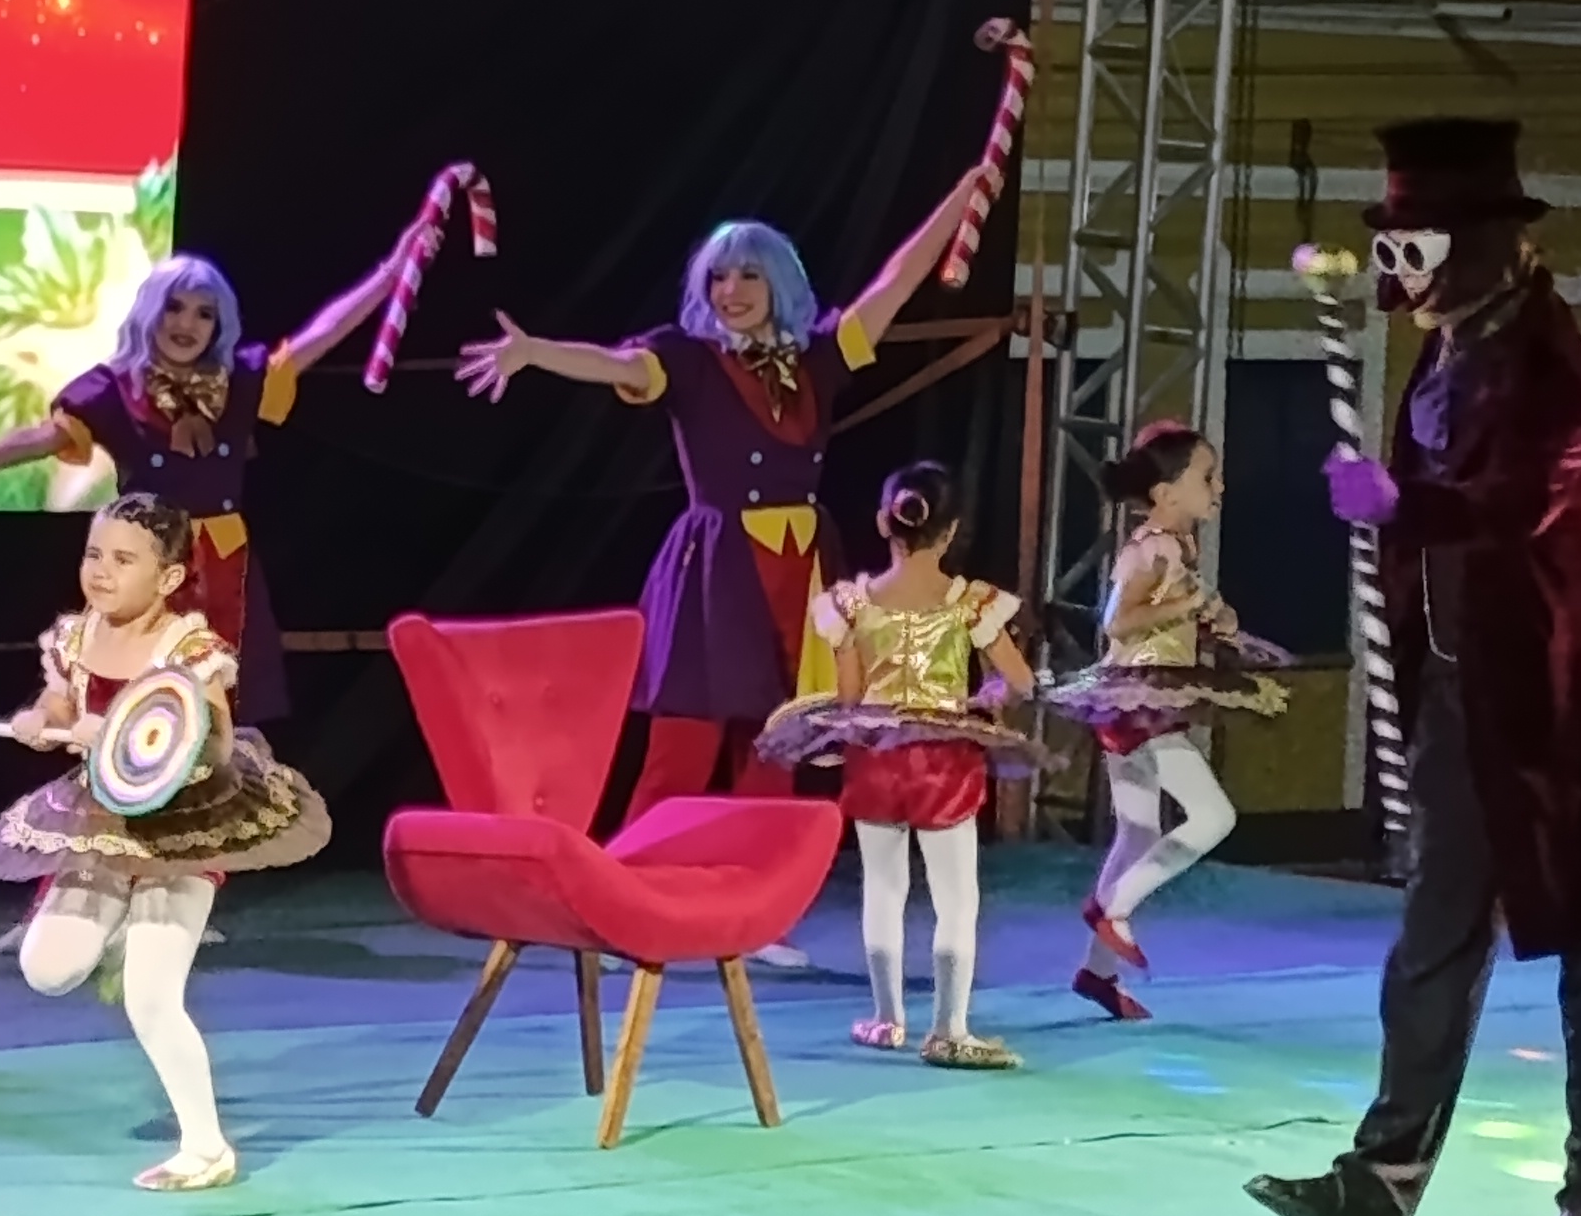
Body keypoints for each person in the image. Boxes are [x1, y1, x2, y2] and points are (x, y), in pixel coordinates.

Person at [1246, 120, 1581, 1216]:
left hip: (1559, 702)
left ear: (1473, 243)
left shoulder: (1547, 355)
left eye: (1416, 244)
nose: (1400, 272)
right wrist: (1384, 509)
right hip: (1458, 692)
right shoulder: (1443, 350)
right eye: (1390, 248)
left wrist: (1403, 504)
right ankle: (1380, 1181)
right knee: (1432, 942)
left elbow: (1536, 494)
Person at [455, 153, 994, 824]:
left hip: (800, 569)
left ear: (779, 282)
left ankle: (752, 883)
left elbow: (896, 282)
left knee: (777, 746)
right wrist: (537, 352)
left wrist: (962, 194)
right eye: (717, 276)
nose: (730, 290)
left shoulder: (819, 358)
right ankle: (631, 878)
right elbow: (617, 365)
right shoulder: (686, 359)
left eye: (747, 274)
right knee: (682, 749)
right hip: (719, 571)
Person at [0, 237, 419, 721]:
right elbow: (41, 438)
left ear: (218, 324)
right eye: (174, 307)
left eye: (204, 313)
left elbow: (319, 335)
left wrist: (390, 273)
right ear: (150, 311)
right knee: (137, 707)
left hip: (223, 566)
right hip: (147, 565)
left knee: (224, 708)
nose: (187, 323)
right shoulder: (112, 390)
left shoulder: (237, 381)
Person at [0, 494, 329, 1191]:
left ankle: (206, 1149)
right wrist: (41, 719)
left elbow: (215, 745)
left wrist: (122, 735)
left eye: (123, 559)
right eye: (93, 554)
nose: (101, 571)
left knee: (151, 996)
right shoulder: (76, 636)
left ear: (168, 578)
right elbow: (60, 702)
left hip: (183, 824)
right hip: (105, 822)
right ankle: (115, 936)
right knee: (46, 969)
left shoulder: (188, 650)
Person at [757, 462, 1039, 1065]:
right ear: (952, 529)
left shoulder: (851, 605)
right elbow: (1020, 680)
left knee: (883, 888)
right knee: (956, 897)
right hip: (945, 763)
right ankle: (950, 1029)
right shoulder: (969, 604)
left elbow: (851, 699)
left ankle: (887, 1020)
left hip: (877, 759)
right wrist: (984, 698)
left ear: (885, 522)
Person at [1050, 421, 1289, 1023]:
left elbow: (1165, 620)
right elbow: (1117, 622)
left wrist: (1212, 624)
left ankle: (1097, 971)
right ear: (1165, 492)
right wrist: (1190, 604)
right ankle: (1114, 909)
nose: (1220, 487)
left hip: (1141, 701)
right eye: (1207, 477)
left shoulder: (1173, 547)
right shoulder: (1153, 547)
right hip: (1140, 701)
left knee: (1137, 831)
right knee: (1214, 817)